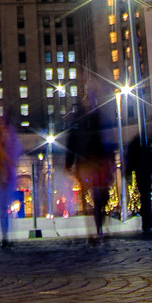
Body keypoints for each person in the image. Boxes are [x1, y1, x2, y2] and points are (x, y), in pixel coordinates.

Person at [65, 93, 112, 243]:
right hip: (86, 162)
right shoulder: (82, 121)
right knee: (92, 196)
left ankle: (97, 228)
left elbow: (105, 137)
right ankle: (96, 230)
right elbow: (72, 141)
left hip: (95, 161)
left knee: (99, 196)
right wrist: (69, 162)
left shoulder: (95, 117)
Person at [0, 112, 23, 249]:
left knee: (2, 209)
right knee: (0, 209)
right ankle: (3, 237)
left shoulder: (8, 137)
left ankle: (4, 237)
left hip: (4, 176)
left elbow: (12, 153)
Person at [127, 132, 152, 233]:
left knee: (144, 198)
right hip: (146, 177)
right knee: (146, 198)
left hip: (140, 177)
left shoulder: (136, 151)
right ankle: (147, 221)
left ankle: (146, 221)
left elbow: (131, 164)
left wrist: (128, 174)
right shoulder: (145, 150)